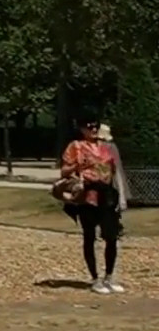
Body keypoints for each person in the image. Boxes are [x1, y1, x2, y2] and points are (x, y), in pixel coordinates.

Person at [60, 117, 128, 295]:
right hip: (87, 196)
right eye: (90, 126)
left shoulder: (107, 147)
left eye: (96, 126)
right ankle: (95, 278)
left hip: (106, 194)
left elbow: (115, 171)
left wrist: (122, 196)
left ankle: (109, 277)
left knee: (111, 236)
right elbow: (64, 171)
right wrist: (77, 165)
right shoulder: (76, 146)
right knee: (89, 236)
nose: (94, 129)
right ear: (82, 129)